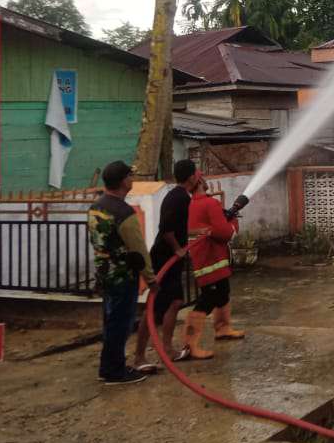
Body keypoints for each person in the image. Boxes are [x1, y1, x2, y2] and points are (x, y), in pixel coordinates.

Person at [87, 160, 159, 385]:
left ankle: (108, 367)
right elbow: (138, 249)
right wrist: (151, 278)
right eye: (130, 176)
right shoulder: (123, 212)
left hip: (104, 273)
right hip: (122, 276)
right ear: (121, 182)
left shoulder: (97, 207)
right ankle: (115, 372)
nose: (132, 179)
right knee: (121, 323)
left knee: (111, 322)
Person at [132, 159, 200, 368]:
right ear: (191, 177)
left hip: (173, 260)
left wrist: (196, 234)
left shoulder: (182, 196)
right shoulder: (178, 198)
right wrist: (178, 248)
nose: (199, 175)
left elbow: (178, 227)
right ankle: (139, 356)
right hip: (163, 259)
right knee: (153, 309)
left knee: (176, 302)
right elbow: (167, 229)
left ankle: (168, 349)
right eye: (197, 173)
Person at [184, 178, 245, 359]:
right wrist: (232, 220)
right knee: (208, 299)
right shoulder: (210, 203)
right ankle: (189, 345)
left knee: (223, 292)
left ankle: (223, 328)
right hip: (211, 258)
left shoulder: (192, 204)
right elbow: (225, 233)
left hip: (207, 257)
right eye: (202, 178)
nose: (205, 181)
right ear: (199, 182)